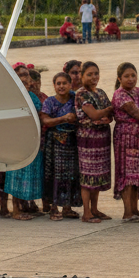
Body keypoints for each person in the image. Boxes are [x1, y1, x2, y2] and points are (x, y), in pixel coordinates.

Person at [112, 62, 139, 222]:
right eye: (126, 76)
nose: (131, 79)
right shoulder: (120, 94)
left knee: (137, 175)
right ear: (119, 78)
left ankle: (135, 210)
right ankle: (127, 213)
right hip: (126, 139)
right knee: (127, 175)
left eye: (133, 75)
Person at [3, 65, 43, 219]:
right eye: (20, 75)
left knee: (29, 174)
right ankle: (15, 210)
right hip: (16, 141)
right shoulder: (11, 96)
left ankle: (26, 205)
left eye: (26, 74)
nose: (25, 78)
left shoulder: (32, 96)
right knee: (16, 174)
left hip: (32, 141)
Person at [75, 61, 113, 223]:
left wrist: (105, 116)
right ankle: (86, 212)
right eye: (89, 74)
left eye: (96, 73)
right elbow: (95, 114)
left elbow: (108, 116)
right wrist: (104, 113)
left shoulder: (101, 92)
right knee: (87, 177)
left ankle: (95, 208)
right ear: (82, 76)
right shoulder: (81, 94)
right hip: (88, 141)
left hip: (102, 141)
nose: (93, 77)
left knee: (97, 176)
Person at [41, 71, 81, 220]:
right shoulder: (50, 102)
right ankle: (53, 208)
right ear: (54, 85)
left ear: (70, 85)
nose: (61, 86)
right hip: (55, 143)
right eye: (58, 83)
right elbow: (46, 120)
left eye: (64, 83)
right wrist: (64, 118)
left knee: (71, 174)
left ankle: (67, 207)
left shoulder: (75, 99)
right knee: (54, 174)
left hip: (71, 142)